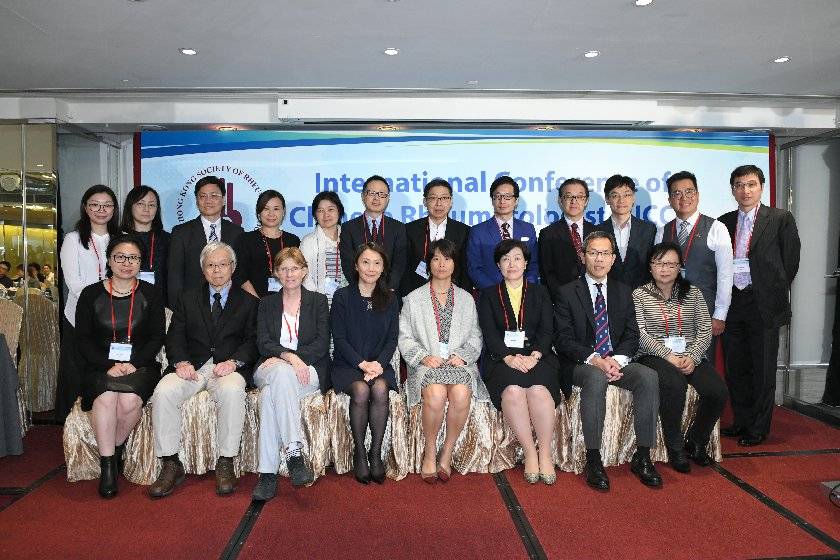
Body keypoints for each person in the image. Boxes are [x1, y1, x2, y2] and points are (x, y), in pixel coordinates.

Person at [149, 242, 259, 498]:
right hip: (193, 367)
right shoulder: (187, 298)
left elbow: (253, 341)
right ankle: (171, 463)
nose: (217, 270)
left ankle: (226, 461)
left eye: (222, 264)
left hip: (227, 368)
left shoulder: (249, 302)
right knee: (164, 391)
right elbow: (175, 335)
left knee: (233, 390)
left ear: (233, 267)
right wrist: (180, 362)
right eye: (210, 265)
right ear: (203, 269)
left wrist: (235, 362)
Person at [554, 231, 661, 491]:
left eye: (605, 254)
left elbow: (631, 335)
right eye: (593, 253)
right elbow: (563, 339)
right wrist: (596, 360)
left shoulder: (623, 291)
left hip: (616, 360)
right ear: (583, 256)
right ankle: (593, 458)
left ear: (613, 259)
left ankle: (643, 456)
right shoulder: (566, 292)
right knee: (595, 377)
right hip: (582, 363)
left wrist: (616, 360)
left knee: (648, 376)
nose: (599, 259)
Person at [74, 234, 165, 498]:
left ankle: (114, 450)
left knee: (129, 402)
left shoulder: (151, 293)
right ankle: (108, 468)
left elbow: (157, 337)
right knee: (106, 397)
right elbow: (83, 339)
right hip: (99, 364)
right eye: (120, 257)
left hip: (140, 364)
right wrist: (108, 364)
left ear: (141, 262)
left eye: (133, 258)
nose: (127, 263)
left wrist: (133, 363)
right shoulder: (90, 294)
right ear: (109, 260)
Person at [718, 165, 801, 446]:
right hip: (733, 302)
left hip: (763, 304)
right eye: (739, 185)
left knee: (763, 369)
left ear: (761, 187)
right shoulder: (724, 221)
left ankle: (758, 427)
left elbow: (790, 262)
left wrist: (769, 289)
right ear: (733, 190)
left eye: (751, 184)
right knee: (736, 367)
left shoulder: (780, 218)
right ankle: (741, 421)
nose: (746, 190)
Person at [632, 242, 728, 472]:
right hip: (653, 355)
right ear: (650, 267)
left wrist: (692, 357)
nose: (664, 269)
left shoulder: (693, 293)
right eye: (659, 263)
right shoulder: (639, 295)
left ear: (679, 267)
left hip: (689, 355)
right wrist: (668, 355)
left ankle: (696, 441)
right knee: (675, 384)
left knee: (717, 391)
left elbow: (704, 329)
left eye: (670, 264)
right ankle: (675, 447)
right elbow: (639, 333)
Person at [399, 239, 487, 482]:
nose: (441, 264)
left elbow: (476, 334)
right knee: (436, 395)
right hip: (428, 364)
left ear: (455, 263)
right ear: (428, 263)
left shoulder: (466, 299)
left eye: (447, 259)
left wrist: (463, 356)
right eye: (436, 258)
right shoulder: (413, 299)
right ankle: (430, 452)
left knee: (460, 394)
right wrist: (423, 357)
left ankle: (446, 453)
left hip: (458, 363)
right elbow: (404, 337)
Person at [478, 239, 562, 485]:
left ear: (526, 263)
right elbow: (489, 333)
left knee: (538, 391)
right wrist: (508, 357)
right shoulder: (488, 295)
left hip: (537, 357)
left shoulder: (540, 292)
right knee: (513, 391)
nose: (511, 264)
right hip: (501, 359)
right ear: (498, 265)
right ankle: (529, 453)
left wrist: (535, 355)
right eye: (505, 259)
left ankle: (544, 453)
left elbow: (547, 330)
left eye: (517, 258)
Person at [251, 248, 330, 501]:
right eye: (283, 269)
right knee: (281, 375)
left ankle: (267, 475)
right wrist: (288, 357)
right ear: (276, 273)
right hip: (271, 367)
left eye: (294, 268)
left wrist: (295, 360)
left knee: (269, 397)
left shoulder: (318, 301)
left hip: (308, 370)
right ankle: (295, 454)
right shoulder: (266, 303)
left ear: (304, 271)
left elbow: (321, 343)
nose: (289, 274)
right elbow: (263, 342)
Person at [330, 242, 399, 484]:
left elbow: (392, 339)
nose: (371, 268)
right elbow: (339, 338)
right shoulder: (342, 296)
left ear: (383, 268)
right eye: (366, 262)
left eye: (377, 263)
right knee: (360, 390)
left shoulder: (391, 298)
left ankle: (375, 453)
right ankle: (360, 453)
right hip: (348, 364)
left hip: (380, 365)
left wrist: (378, 364)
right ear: (356, 266)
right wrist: (362, 365)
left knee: (379, 388)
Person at [56, 185, 121, 422]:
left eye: (107, 205)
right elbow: (73, 282)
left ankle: (106, 424)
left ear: (114, 209)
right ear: (85, 207)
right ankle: (73, 426)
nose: (101, 210)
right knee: (76, 372)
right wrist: (100, 304)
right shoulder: (73, 239)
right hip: (80, 316)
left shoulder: (121, 238)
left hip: (115, 317)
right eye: (95, 204)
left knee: (107, 370)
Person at [657, 171, 733, 360]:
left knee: (702, 365)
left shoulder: (716, 228)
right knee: (671, 364)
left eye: (689, 192)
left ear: (697, 195)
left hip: (704, 313)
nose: (684, 198)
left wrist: (720, 314)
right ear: (669, 200)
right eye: (677, 193)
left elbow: (725, 275)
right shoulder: (662, 231)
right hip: (669, 313)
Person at [167, 175, 244, 308]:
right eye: (203, 196)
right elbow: (175, 276)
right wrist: (177, 309)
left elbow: (240, 273)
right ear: (197, 201)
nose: (208, 201)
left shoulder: (237, 232)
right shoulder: (181, 232)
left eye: (214, 195)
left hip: (230, 305)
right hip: (192, 305)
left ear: (223, 200)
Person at [400, 179, 472, 296]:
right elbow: (405, 268)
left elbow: (465, 271)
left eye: (444, 198)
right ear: (425, 202)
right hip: (417, 293)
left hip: (453, 293)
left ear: (451, 202)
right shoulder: (409, 229)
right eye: (433, 198)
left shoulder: (464, 231)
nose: (439, 203)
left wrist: (463, 297)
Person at [467, 176, 538, 290]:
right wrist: (496, 291)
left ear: (516, 200)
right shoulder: (478, 231)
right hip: (490, 294)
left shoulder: (528, 229)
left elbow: (533, 264)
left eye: (507, 196)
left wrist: (525, 288)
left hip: (524, 294)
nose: (502, 201)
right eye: (498, 196)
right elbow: (474, 269)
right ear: (492, 200)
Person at [338, 175, 407, 291]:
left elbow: (399, 265)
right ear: (363, 196)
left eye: (381, 194)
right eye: (371, 193)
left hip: (389, 293)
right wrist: (362, 289)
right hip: (358, 292)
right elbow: (348, 264)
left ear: (388, 198)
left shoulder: (398, 228)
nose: (376, 198)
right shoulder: (348, 228)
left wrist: (387, 289)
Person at [539, 178, 596, 303]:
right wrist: (562, 298)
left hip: (594, 298)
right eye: (568, 196)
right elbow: (547, 273)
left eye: (579, 197)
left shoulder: (597, 233)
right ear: (560, 200)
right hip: (561, 301)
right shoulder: (548, 234)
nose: (574, 201)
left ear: (586, 201)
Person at [234, 190, 301, 298]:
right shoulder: (245, 240)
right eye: (266, 209)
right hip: (253, 301)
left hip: (287, 301)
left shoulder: (293, 240)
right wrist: (258, 302)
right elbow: (239, 275)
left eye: (276, 209)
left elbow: (298, 274)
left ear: (283, 212)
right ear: (259, 212)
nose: (271, 214)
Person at [595, 174, 656, 289]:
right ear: (607, 199)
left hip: (641, 294)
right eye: (615, 195)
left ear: (633, 198)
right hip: (607, 293)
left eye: (627, 195)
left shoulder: (649, 230)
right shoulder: (597, 231)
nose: (621, 200)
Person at [121, 185, 170, 305]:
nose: (146, 209)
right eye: (140, 204)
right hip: (125, 302)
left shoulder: (168, 239)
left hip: (160, 303)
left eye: (151, 205)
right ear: (130, 206)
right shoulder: (118, 239)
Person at [300, 191, 348, 305]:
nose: (326, 215)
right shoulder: (308, 241)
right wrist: (317, 302)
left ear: (339, 211)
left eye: (331, 209)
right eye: (321, 211)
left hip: (347, 303)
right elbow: (304, 275)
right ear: (315, 215)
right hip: (319, 304)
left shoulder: (349, 238)